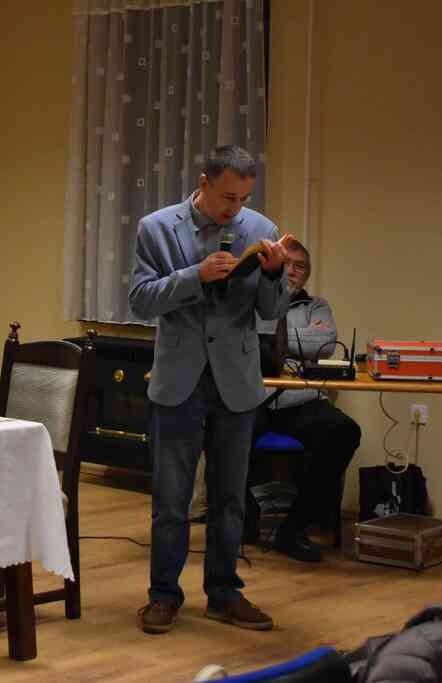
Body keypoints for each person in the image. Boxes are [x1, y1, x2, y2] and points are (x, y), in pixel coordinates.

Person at [128, 145, 291, 634]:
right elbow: (141, 300)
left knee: (230, 498)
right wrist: (193, 277)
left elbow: (271, 312)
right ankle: (163, 596)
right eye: (227, 197)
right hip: (179, 378)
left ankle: (224, 594)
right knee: (171, 499)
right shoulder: (157, 228)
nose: (234, 209)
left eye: (243, 199)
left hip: (235, 381)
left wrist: (274, 274)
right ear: (204, 183)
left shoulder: (260, 230)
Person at [257, 240, 362, 562]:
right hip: (253, 400)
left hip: (300, 401)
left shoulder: (317, 306)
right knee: (220, 430)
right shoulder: (253, 301)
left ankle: (294, 528)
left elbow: (326, 344)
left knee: (344, 431)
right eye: (285, 263)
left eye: (299, 266)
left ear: (306, 275)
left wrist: (272, 339)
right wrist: (300, 339)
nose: (291, 270)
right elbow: (243, 339)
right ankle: (242, 521)